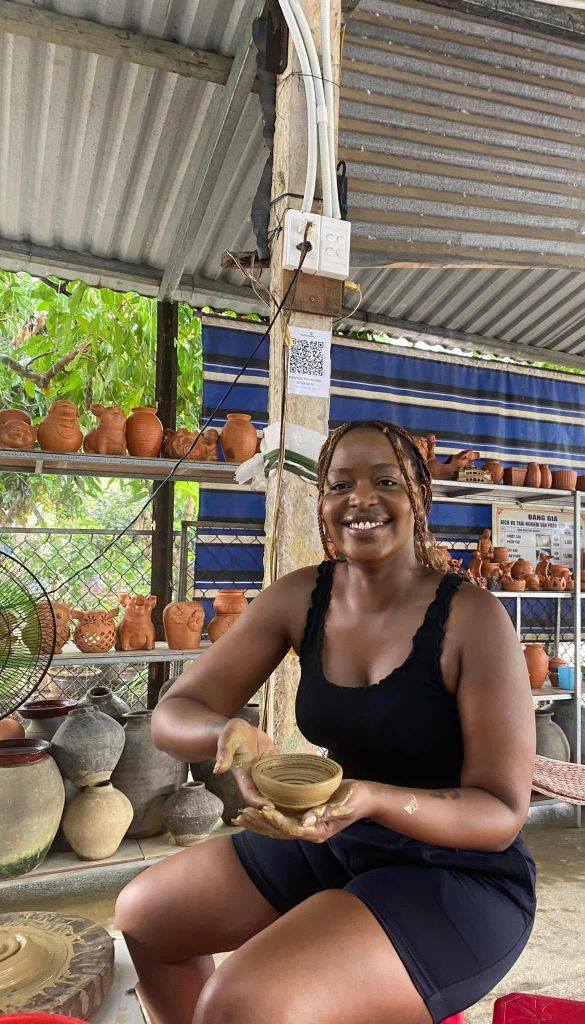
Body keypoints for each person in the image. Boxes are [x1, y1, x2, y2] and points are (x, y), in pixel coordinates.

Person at [116, 419, 536, 1024]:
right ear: (323, 503)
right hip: (336, 836)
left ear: (418, 497)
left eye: (384, 481)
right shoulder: (299, 598)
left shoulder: (473, 618)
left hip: (459, 872)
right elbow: (174, 713)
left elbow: (499, 815)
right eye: (340, 485)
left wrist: (370, 798)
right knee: (146, 914)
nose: (360, 499)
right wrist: (226, 734)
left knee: (241, 1004)